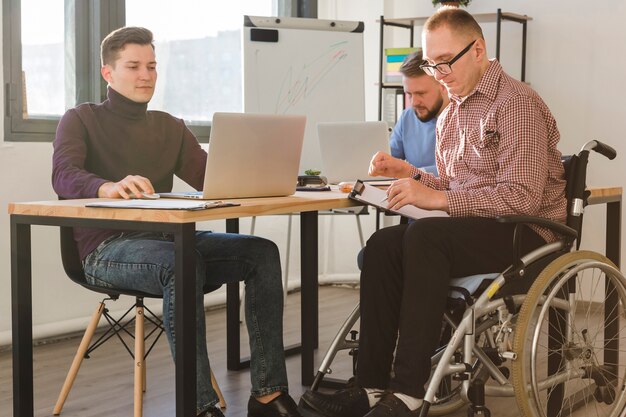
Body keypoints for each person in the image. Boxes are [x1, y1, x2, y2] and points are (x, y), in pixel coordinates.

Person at [300, 7, 566, 417]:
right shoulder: (452, 114)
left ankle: (406, 393)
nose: (438, 73)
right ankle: (370, 386)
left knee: (424, 236)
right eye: (431, 63)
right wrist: (410, 176)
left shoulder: (516, 104)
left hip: (526, 233)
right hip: (475, 227)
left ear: (478, 50)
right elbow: (455, 185)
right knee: (382, 245)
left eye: (445, 62)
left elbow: (521, 197)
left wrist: (437, 200)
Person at [52, 26, 302, 417]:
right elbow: (63, 175)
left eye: (151, 66)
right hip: (105, 250)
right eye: (133, 66)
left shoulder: (169, 126)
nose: (146, 75)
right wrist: (106, 186)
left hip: (169, 241)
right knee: (182, 263)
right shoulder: (80, 119)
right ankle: (200, 406)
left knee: (261, 252)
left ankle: (268, 395)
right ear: (108, 73)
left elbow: (210, 177)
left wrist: (265, 172)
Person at [387, 50, 449, 176]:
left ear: (443, 86)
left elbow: (456, 171)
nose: (414, 102)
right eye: (409, 94)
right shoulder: (407, 117)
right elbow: (390, 160)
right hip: (411, 193)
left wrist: (412, 173)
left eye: (421, 93)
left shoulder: (463, 118)